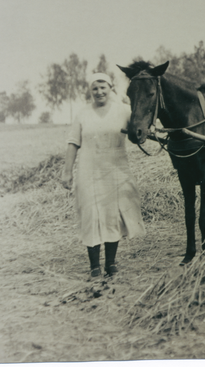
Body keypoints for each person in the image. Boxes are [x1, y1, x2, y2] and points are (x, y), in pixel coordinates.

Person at [61, 72, 145, 279]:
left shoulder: (124, 111)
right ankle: (94, 266)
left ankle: (110, 263)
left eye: (103, 87)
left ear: (110, 88)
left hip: (116, 169)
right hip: (88, 170)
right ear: (90, 91)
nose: (99, 92)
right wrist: (67, 171)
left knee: (112, 216)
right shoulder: (82, 114)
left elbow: (140, 133)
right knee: (91, 214)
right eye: (95, 89)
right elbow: (73, 142)